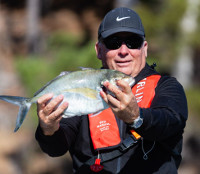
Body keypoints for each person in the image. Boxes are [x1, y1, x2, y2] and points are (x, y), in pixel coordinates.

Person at [35, 7, 188, 174]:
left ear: (144, 48)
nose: (123, 51)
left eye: (133, 42)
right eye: (113, 43)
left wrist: (137, 117)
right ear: (99, 50)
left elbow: (170, 122)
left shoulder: (166, 86)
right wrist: (48, 129)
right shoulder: (83, 86)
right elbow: (55, 149)